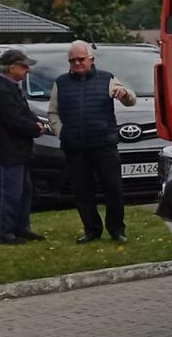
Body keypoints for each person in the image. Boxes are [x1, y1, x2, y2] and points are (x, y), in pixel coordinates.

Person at [49, 40, 137, 243]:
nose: (77, 63)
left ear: (91, 59)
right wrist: (62, 132)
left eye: (81, 59)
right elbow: (53, 113)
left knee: (113, 188)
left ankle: (116, 229)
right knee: (82, 191)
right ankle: (92, 230)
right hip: (75, 147)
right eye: (72, 60)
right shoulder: (60, 83)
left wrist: (124, 94)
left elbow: (131, 100)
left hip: (104, 144)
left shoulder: (107, 78)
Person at [0, 49, 45, 245]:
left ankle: (21, 228)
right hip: (4, 153)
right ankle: (3, 233)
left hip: (18, 152)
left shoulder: (12, 89)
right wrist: (35, 128)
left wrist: (36, 122)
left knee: (23, 193)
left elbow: (25, 112)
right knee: (7, 194)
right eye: (24, 67)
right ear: (12, 68)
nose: (27, 70)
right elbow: (14, 120)